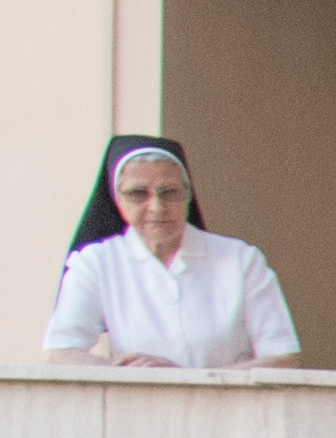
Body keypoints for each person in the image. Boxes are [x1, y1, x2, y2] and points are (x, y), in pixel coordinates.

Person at [43, 137, 302, 371]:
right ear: (116, 199)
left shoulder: (241, 260)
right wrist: (128, 373)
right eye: (137, 194)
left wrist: (191, 379)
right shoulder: (96, 263)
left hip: (228, 414)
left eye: (170, 193)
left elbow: (283, 357)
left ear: (188, 195)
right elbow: (61, 351)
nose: (156, 207)